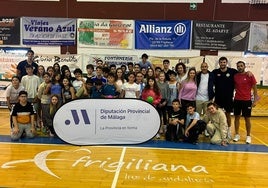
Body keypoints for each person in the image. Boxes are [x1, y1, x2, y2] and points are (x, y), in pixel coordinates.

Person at [212, 56, 238, 139]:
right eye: (221, 62)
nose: (222, 64)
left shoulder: (233, 71)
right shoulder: (215, 72)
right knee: (216, 114)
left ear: (226, 63)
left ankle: (228, 130)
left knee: (228, 115)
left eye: (224, 62)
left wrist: (248, 72)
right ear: (219, 63)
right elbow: (207, 74)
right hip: (218, 98)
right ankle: (216, 130)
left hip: (228, 98)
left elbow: (242, 74)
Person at [233, 61, 258, 144]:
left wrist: (255, 100)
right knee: (237, 117)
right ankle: (237, 134)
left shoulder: (250, 75)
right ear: (237, 67)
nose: (240, 67)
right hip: (237, 100)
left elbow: (255, 89)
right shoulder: (235, 76)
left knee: (247, 118)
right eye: (238, 66)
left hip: (247, 101)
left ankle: (248, 136)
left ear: (244, 66)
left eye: (241, 66)